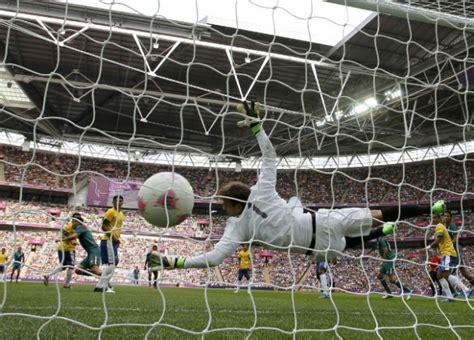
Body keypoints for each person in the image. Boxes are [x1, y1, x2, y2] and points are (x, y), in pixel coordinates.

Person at [157, 101, 445, 272]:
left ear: (235, 203)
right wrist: (257, 126)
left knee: (346, 243)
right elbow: (270, 157)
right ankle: (425, 211)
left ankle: (405, 219)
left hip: (317, 250)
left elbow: (214, 258)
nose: (224, 209)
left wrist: (176, 263)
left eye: (224, 204)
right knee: (375, 217)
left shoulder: (238, 226)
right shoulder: (261, 193)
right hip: (320, 222)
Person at [422, 214, 469, 302]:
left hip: (448, 253)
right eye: (432, 218)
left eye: (435, 217)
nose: (433, 219)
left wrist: (427, 247)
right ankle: (452, 296)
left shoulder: (439, 226)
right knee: (441, 275)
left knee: (443, 275)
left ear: (439, 218)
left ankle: (465, 291)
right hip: (446, 253)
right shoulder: (441, 226)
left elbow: (439, 239)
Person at [43, 213, 81, 288]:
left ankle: (48, 275)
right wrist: (72, 241)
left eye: (79, 219)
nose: (78, 221)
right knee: (71, 266)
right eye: (77, 219)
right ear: (73, 219)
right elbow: (64, 235)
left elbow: (63, 235)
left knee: (63, 267)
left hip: (62, 248)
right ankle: (67, 284)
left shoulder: (74, 226)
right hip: (68, 248)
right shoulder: (69, 227)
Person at [95, 195, 124, 293]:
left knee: (113, 263)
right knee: (112, 264)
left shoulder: (120, 214)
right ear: (113, 202)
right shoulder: (111, 212)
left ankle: (101, 285)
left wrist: (117, 239)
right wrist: (114, 237)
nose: (119, 202)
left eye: (120, 201)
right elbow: (103, 226)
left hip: (113, 241)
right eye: (117, 201)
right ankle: (103, 286)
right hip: (108, 240)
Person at [444, 211, 474, 286]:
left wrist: (449, 245)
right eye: (445, 216)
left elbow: (456, 238)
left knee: (448, 272)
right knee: (465, 273)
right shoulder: (445, 227)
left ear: (451, 218)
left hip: (455, 251)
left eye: (448, 216)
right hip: (450, 251)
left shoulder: (452, 226)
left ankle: (454, 292)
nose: (446, 217)